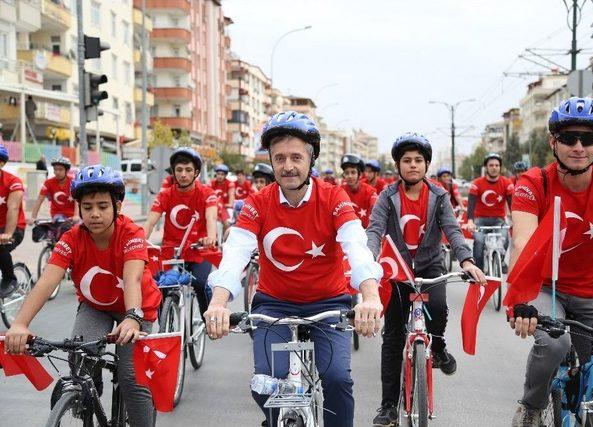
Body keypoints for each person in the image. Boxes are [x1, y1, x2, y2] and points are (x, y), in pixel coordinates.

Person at [205, 111, 383, 427]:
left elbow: (356, 245)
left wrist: (369, 297)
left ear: (310, 158)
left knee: (337, 379)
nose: (288, 165)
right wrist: (218, 304)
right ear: (271, 161)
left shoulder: (333, 197)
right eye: (280, 158)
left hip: (328, 306)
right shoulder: (257, 202)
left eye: (296, 157)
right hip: (273, 305)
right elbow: (235, 254)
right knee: (264, 383)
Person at [508, 97, 593, 426]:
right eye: (568, 138)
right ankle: (532, 406)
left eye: (588, 139)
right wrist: (522, 300)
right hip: (546, 288)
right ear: (554, 142)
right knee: (555, 344)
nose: (578, 147)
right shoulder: (533, 183)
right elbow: (523, 242)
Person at [4, 165, 162, 427]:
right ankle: (88, 394)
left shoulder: (131, 233)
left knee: (131, 379)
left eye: (102, 206)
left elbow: (133, 278)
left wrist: (133, 317)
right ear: (79, 209)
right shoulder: (71, 238)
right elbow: (45, 282)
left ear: (117, 208)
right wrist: (20, 324)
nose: (95, 214)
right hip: (96, 306)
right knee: (80, 360)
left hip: (135, 309)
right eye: (87, 207)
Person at [367, 132, 485, 427]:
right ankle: (388, 408)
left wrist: (467, 260)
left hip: (431, 267)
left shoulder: (439, 196)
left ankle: (440, 347)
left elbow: (452, 230)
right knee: (393, 338)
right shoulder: (387, 197)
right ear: (398, 166)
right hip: (397, 271)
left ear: (427, 164)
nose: (413, 165)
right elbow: (374, 230)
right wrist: (367, 261)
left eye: (418, 160)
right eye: (406, 160)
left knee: (440, 311)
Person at [143, 147, 218, 316]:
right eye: (179, 170)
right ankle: (166, 327)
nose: (183, 174)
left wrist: (211, 237)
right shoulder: (165, 195)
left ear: (196, 172)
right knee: (163, 285)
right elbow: (149, 223)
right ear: (174, 173)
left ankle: (209, 319)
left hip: (199, 250)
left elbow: (211, 218)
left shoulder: (207, 193)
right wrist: (139, 242)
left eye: (188, 170)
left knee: (200, 284)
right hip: (172, 252)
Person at [466, 153, 513, 272]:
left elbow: (512, 205)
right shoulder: (476, 183)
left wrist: (516, 221)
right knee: (479, 242)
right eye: (491, 165)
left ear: (500, 167)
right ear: (486, 167)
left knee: (504, 238)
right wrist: (470, 221)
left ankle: (499, 260)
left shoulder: (507, 183)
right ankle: (478, 272)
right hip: (480, 220)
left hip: (498, 220)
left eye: (497, 165)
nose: (494, 167)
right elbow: (470, 204)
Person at [0, 145, 26, 298]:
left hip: (14, 227)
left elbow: (13, 208)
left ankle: (10, 280)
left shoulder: (13, 181)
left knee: (1, 246)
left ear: (1, 163)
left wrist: (8, 234)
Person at [29, 157, 79, 224]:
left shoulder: (73, 182)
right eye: (55, 169)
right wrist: (33, 217)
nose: (57, 172)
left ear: (66, 171)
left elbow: (77, 200)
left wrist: (76, 215)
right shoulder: (48, 183)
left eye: (60, 170)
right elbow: (39, 200)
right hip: (57, 215)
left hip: (73, 216)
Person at [340, 153, 378, 228]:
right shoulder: (340, 191)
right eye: (347, 173)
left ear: (360, 175)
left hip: (365, 233)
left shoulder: (370, 191)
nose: (350, 176)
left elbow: (377, 208)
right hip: (345, 233)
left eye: (353, 172)